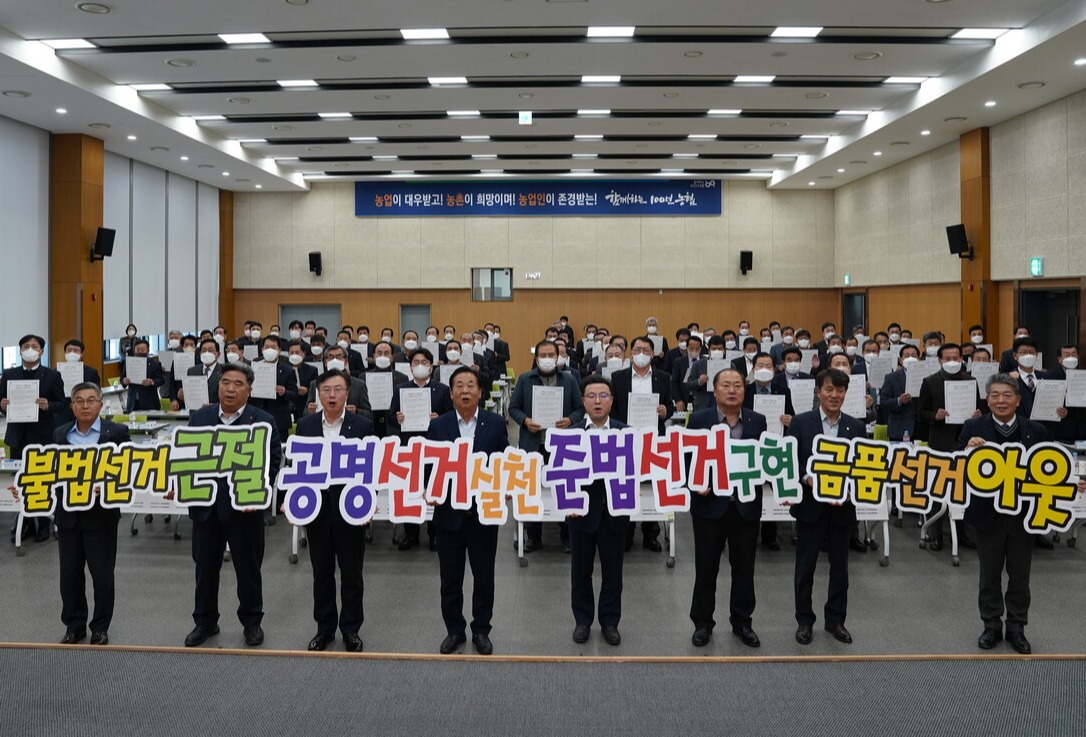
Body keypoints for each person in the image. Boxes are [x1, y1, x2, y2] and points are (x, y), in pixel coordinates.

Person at [958, 374, 1082, 654]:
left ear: (1018, 399)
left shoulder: (1035, 430)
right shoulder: (973, 426)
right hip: (986, 513)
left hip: (1023, 515)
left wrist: (1072, 481)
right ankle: (991, 625)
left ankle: (1016, 627)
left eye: (1006, 395)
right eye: (994, 395)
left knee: (1020, 575)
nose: (1001, 400)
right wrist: (967, 449)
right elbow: (954, 468)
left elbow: (1049, 468)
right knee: (988, 573)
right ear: (987, 400)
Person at [185, 363, 282, 648]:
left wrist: (258, 493)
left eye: (238, 384)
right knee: (204, 569)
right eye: (226, 382)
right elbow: (186, 456)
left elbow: (272, 461)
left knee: (248, 569)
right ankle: (204, 621)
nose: (230, 388)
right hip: (205, 508)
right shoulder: (200, 417)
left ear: (249, 391)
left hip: (245, 509)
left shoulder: (262, 420)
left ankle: (251, 622)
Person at [428, 367, 510, 656]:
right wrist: (429, 491)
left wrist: (507, 487)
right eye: (459, 386)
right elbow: (429, 469)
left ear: (480, 392)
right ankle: (454, 630)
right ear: (450, 393)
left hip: (483, 515)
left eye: (471, 385)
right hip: (449, 516)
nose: (465, 391)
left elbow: (504, 463)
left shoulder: (495, 423)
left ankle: (481, 630)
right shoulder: (438, 427)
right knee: (450, 579)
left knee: (484, 577)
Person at [45, 383, 132, 645]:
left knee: (102, 575)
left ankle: (100, 627)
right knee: (69, 576)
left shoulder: (116, 432)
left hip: (101, 515)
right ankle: (74, 625)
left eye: (91, 400)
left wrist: (105, 485)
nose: (85, 405)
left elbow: (128, 470)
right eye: (79, 401)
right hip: (68, 516)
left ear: (101, 404)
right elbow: (50, 470)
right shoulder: (61, 433)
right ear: (71, 406)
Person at [687, 368, 768, 648]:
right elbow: (688, 459)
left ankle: (742, 622)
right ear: (715, 390)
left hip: (744, 506)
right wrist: (694, 482)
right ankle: (702, 623)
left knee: (744, 568)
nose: (732, 390)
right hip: (709, 505)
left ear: (745, 391)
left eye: (737, 386)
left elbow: (763, 461)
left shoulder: (758, 421)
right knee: (706, 568)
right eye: (726, 385)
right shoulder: (698, 420)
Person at [295, 369, 373, 652]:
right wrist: (291, 500)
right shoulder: (305, 426)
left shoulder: (362, 426)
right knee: (322, 572)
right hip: (317, 510)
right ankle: (325, 628)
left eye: (338, 389)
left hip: (350, 509)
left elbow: (369, 470)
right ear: (318, 393)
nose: (332, 395)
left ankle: (351, 629)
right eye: (326, 389)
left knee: (352, 573)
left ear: (347, 392)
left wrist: (368, 503)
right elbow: (298, 469)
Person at [787, 368, 867, 646]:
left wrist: (848, 489)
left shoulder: (856, 427)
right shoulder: (801, 422)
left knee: (840, 569)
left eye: (840, 390)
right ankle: (804, 621)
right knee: (805, 567)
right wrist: (806, 478)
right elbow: (792, 461)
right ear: (818, 391)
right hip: (810, 506)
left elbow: (862, 467)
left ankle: (836, 620)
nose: (835, 395)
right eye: (829, 389)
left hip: (842, 508)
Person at [568, 375, 629, 646]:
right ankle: (582, 621)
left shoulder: (625, 432)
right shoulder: (571, 435)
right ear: (583, 401)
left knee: (613, 572)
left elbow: (635, 471)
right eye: (591, 396)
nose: (597, 401)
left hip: (615, 514)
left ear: (612, 400)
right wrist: (567, 501)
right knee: (580, 571)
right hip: (580, 514)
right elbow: (559, 475)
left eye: (603, 395)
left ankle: (609, 622)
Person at [509, 340, 585, 552]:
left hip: (561, 445)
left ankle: (566, 534)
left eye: (551, 354)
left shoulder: (569, 380)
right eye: (543, 354)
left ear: (558, 356)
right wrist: (525, 421)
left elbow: (579, 409)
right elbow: (513, 408)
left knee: (563, 488)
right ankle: (534, 535)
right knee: (532, 490)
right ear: (536, 358)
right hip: (533, 444)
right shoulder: (525, 379)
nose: (547, 358)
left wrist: (570, 420)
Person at [609, 336, 674, 552]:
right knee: (626, 484)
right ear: (630, 353)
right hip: (626, 438)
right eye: (637, 349)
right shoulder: (618, 377)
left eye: (646, 350)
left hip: (654, 439)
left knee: (651, 484)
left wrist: (666, 412)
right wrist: (621, 427)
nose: (641, 354)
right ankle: (625, 533)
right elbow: (613, 407)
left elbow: (670, 406)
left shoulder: (664, 378)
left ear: (653, 353)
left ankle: (650, 533)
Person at [1, 334, 67, 542]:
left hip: (43, 434)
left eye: (34, 346)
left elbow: (61, 403)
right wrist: (2, 406)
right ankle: (24, 522)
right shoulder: (9, 374)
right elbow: (1, 401)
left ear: (41, 351)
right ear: (20, 350)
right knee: (20, 479)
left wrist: (47, 406)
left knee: (42, 478)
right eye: (26, 346)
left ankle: (44, 522)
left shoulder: (51, 375)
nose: (29, 349)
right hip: (18, 435)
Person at [915, 343, 981, 550]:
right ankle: (935, 534)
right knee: (939, 489)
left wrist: (978, 416)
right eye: (948, 358)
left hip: (965, 440)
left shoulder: (971, 381)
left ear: (962, 359)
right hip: (941, 441)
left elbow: (978, 408)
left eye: (956, 357)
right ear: (940, 360)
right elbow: (921, 413)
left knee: (963, 488)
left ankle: (962, 534)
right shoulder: (930, 382)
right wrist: (935, 415)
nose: (952, 361)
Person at [389, 347, 453, 551]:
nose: (420, 366)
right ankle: (411, 534)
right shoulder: (401, 389)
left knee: (433, 488)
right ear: (410, 366)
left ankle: (434, 533)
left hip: (433, 446)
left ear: (431, 366)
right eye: (415, 362)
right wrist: (397, 418)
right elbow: (391, 415)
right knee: (411, 490)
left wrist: (439, 418)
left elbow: (451, 416)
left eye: (424, 362)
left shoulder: (442, 389)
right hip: (409, 445)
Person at [121, 339, 166, 412]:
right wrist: (124, 381)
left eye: (142, 350)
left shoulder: (155, 364)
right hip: (133, 403)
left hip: (150, 403)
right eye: (138, 350)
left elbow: (162, 379)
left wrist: (151, 382)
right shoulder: (129, 363)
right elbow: (122, 377)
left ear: (148, 350)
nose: (140, 352)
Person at [183, 336, 223, 408]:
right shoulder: (192, 371)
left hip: (216, 412)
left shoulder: (223, 371)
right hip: (195, 412)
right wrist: (184, 395)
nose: (206, 353)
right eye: (204, 350)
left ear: (218, 354)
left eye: (210, 350)